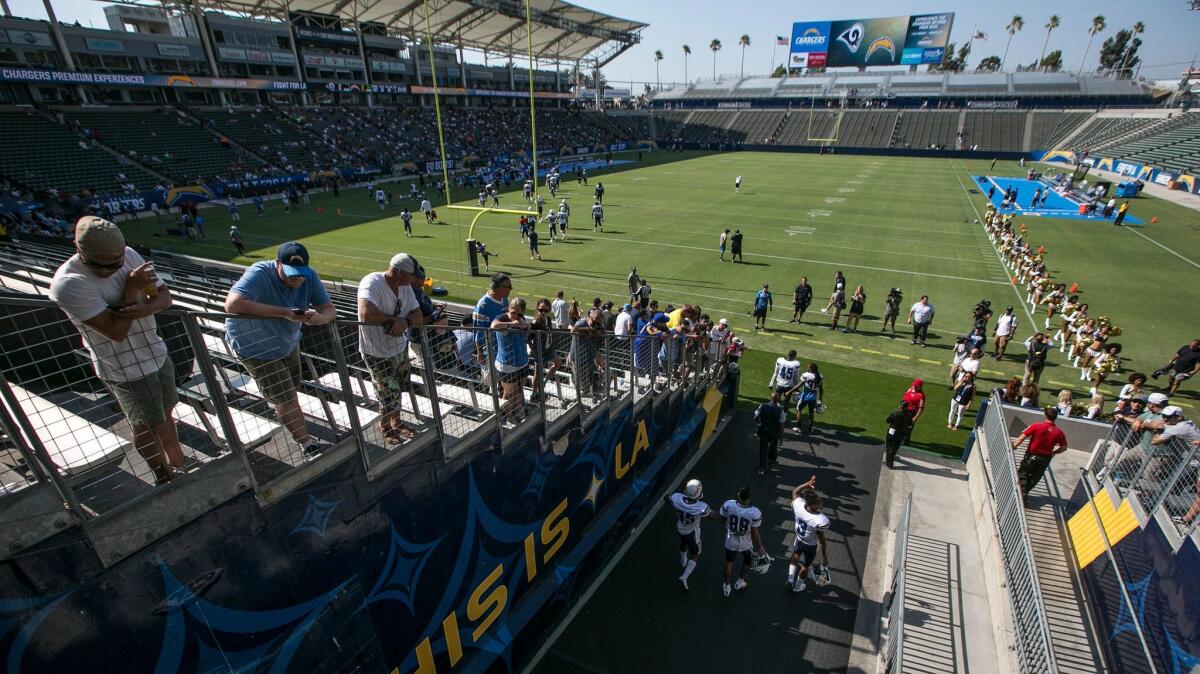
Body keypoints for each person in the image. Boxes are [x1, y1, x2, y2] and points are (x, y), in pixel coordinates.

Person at [49, 216, 184, 485]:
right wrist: (131, 288)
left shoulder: (130, 256)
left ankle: (179, 462)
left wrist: (142, 307)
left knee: (167, 413)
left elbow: (165, 297)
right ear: (79, 249)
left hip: (155, 352)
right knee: (146, 426)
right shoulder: (69, 283)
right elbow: (116, 332)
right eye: (101, 264)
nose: (110, 269)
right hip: (124, 369)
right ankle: (162, 475)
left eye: (117, 262)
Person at [224, 242, 336, 458]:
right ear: (277, 264)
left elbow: (329, 309)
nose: (297, 280)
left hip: (287, 340)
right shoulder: (259, 272)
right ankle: (306, 444)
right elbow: (232, 304)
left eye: (300, 275)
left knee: (290, 390)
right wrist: (284, 313)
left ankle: (297, 429)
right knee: (285, 397)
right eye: (292, 274)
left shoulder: (309, 276)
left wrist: (320, 319)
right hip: (256, 346)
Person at [357, 254, 423, 444]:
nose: (414, 279)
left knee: (400, 387)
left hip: (399, 348)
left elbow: (417, 314)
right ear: (401, 272)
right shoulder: (372, 282)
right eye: (412, 275)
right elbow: (365, 313)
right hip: (376, 351)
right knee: (387, 393)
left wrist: (406, 321)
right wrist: (395, 321)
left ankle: (396, 421)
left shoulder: (405, 287)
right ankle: (384, 426)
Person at [666, 479, 720, 591]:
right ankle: (684, 577)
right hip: (692, 531)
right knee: (695, 553)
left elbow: (667, 498)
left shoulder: (677, 497)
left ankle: (683, 561)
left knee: (683, 542)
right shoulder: (701, 507)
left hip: (680, 527)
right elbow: (714, 517)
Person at [1012, 407, 1069, 506]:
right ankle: (1024, 494)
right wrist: (1054, 452)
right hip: (1045, 459)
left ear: (1045, 415)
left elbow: (1022, 438)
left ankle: (1023, 493)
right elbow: (1064, 447)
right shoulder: (1059, 432)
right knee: (1035, 478)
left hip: (1032, 456)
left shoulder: (1036, 426)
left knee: (1023, 472)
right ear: (1055, 418)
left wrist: (1014, 446)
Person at [719, 486, 767, 597]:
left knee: (729, 561)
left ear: (738, 495)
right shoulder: (755, 512)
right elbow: (755, 533)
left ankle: (726, 586)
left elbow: (723, 519)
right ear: (749, 497)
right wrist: (761, 548)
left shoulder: (729, 504)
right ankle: (740, 581)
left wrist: (729, 527)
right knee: (747, 560)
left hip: (731, 539)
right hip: (746, 541)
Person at [490, 296, 531, 422]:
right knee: (511, 394)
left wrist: (526, 328)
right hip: (507, 363)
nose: (516, 316)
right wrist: (511, 324)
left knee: (517, 390)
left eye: (519, 314)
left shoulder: (521, 318)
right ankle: (508, 416)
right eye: (513, 312)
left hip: (522, 362)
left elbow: (526, 334)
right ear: (509, 309)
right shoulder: (502, 317)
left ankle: (509, 412)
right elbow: (493, 326)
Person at [786, 477, 828, 592]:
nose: (821, 503)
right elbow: (822, 541)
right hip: (810, 545)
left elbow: (795, 491)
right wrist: (825, 557)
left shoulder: (799, 506)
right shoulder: (819, 520)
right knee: (805, 566)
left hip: (799, 539)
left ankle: (790, 579)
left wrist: (807, 484)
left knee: (795, 556)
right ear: (813, 504)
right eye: (818, 502)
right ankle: (797, 586)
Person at [472, 273, 512, 376]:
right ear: (499, 288)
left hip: (504, 346)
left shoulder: (504, 299)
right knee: (490, 380)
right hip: (491, 350)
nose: (511, 289)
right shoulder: (483, 306)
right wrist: (480, 352)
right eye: (508, 287)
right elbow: (478, 330)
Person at [754, 392, 786, 475]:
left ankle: (762, 468)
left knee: (763, 450)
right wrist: (781, 439)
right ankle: (771, 462)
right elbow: (782, 426)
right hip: (774, 434)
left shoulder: (763, 406)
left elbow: (756, 417)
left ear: (771, 398)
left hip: (764, 432)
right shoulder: (781, 411)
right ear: (778, 399)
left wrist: (760, 423)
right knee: (773, 448)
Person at [794, 363, 823, 434]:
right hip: (813, 399)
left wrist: (793, 390)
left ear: (810, 369)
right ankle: (810, 429)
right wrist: (820, 398)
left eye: (808, 367)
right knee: (811, 413)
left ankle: (799, 428)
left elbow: (800, 384)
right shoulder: (820, 376)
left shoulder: (806, 375)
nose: (807, 368)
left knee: (798, 410)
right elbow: (821, 389)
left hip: (805, 397)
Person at [884, 403, 914, 469]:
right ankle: (890, 458)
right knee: (896, 447)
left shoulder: (895, 413)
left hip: (892, 433)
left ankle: (889, 463)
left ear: (900, 406)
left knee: (889, 447)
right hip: (901, 433)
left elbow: (887, 421)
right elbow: (910, 425)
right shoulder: (909, 415)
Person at [901, 379, 926, 444]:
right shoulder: (910, 389)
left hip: (912, 413)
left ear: (920, 387)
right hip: (904, 410)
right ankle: (900, 438)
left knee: (908, 428)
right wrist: (900, 408)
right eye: (914, 385)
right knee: (901, 425)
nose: (914, 386)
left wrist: (915, 418)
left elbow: (921, 409)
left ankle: (905, 440)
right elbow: (904, 399)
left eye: (916, 386)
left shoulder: (921, 396)